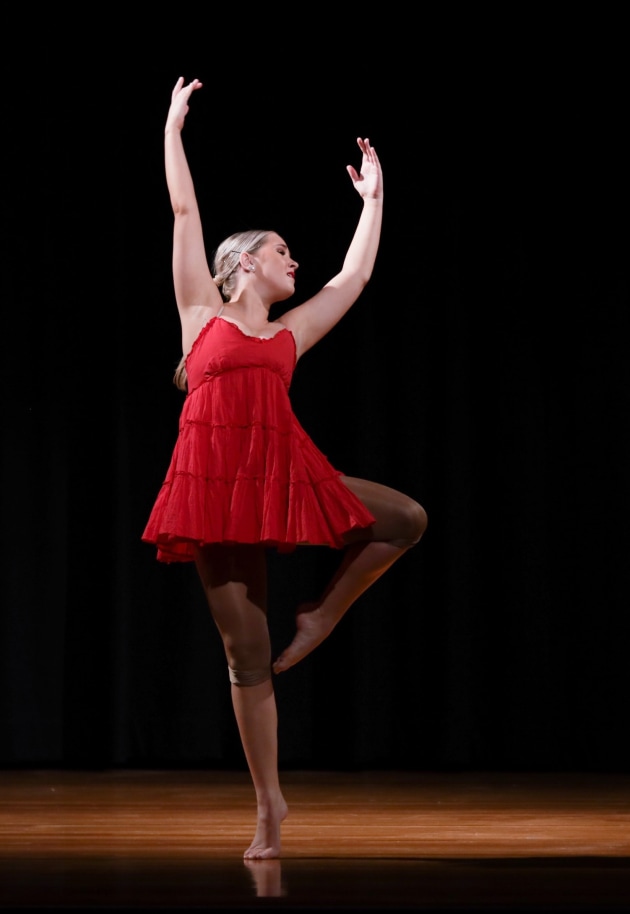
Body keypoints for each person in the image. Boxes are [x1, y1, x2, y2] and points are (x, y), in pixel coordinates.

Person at [142, 76, 428, 859]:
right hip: (213, 487)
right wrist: (173, 127)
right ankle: (270, 807)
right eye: (280, 251)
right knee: (244, 652)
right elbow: (184, 212)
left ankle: (325, 613)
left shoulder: (290, 336)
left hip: (283, 472)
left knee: (404, 519)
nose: (293, 259)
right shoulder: (199, 312)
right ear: (239, 268)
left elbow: (352, 279)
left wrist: (371, 204)